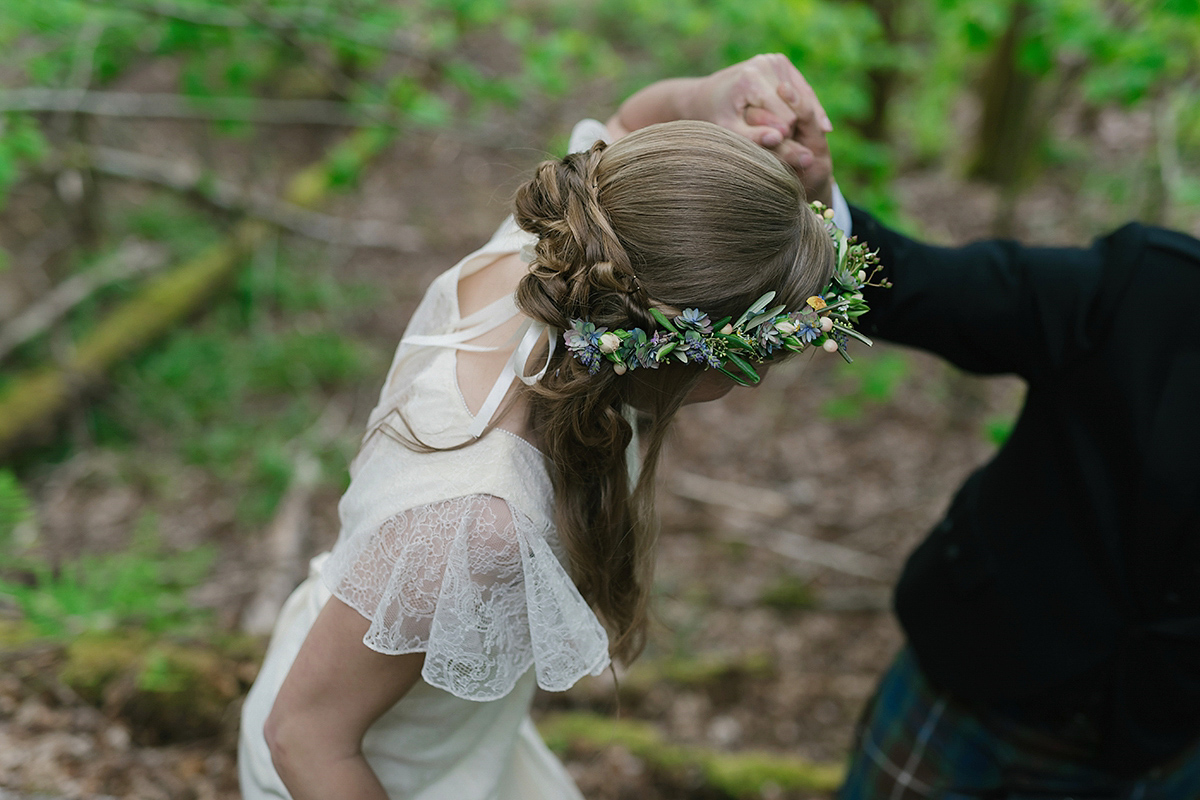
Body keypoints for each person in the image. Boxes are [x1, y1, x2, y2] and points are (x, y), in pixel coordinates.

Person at [236, 101, 868, 798]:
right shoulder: (479, 524)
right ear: (675, 350)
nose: (762, 378)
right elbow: (302, 736)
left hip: (456, 742)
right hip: (371, 772)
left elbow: (628, 120)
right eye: (761, 356)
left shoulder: (557, 258)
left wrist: (712, 89)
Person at [610, 55, 1200, 799]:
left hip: (1166, 753)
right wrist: (815, 201)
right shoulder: (1150, 289)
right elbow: (917, 287)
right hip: (968, 691)